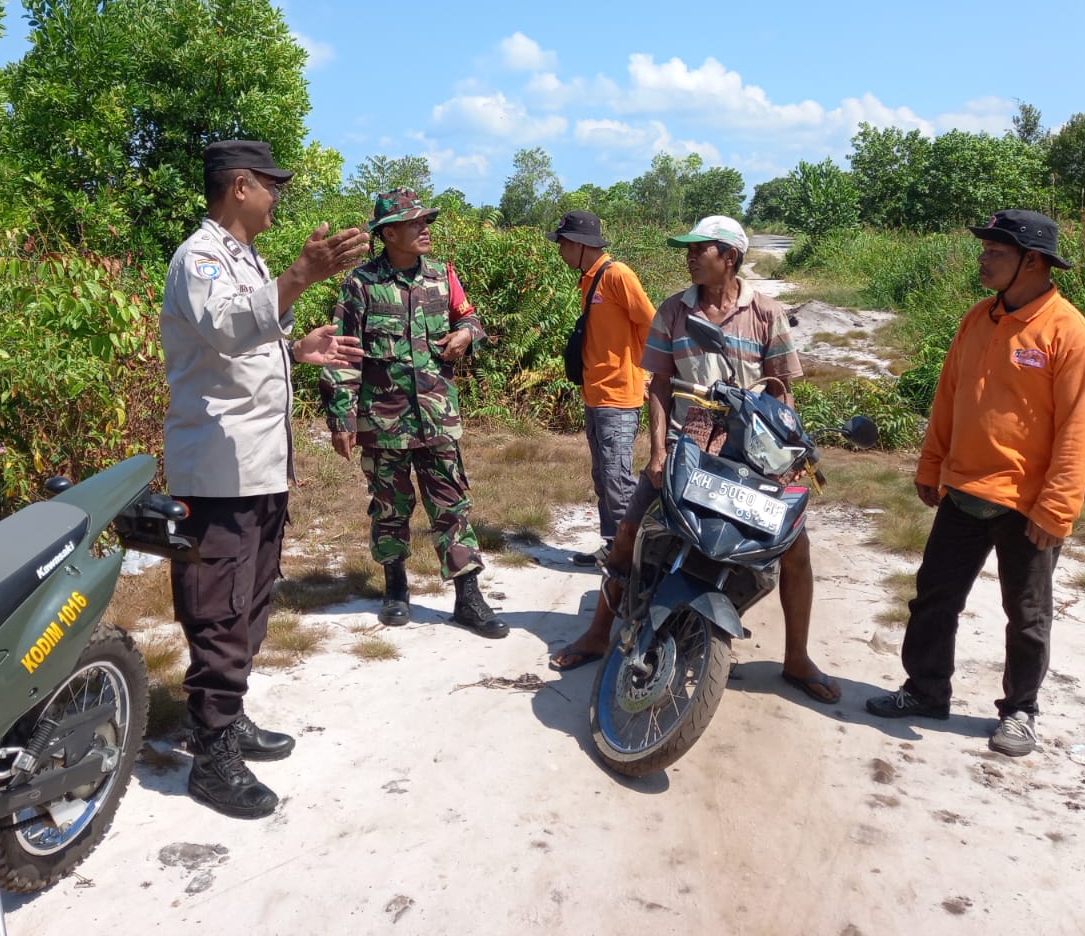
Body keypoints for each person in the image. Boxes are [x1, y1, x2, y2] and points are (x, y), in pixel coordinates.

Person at [549, 216, 838, 705]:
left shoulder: (766, 314)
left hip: (751, 454)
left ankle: (797, 657)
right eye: (688, 248)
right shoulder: (673, 312)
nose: (689, 256)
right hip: (689, 447)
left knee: (796, 550)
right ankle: (599, 632)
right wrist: (658, 451)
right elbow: (658, 385)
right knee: (628, 533)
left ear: (730, 257)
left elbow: (782, 391)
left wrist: (785, 457)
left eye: (700, 249)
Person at [161, 139, 368, 819]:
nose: (278, 198)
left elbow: (248, 337)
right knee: (217, 609)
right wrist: (303, 275)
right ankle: (211, 755)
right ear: (241, 186)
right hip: (217, 471)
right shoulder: (199, 257)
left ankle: (229, 716)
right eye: (272, 186)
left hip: (258, 464)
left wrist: (294, 347)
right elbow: (223, 328)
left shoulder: (244, 258)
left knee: (250, 601)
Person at [866, 210, 1085, 756]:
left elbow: (1079, 429)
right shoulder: (978, 320)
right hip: (964, 491)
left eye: (995, 252)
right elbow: (949, 395)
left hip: (1027, 504)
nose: (982, 259)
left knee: (1026, 616)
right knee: (934, 597)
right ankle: (926, 690)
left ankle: (1021, 710)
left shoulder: (1071, 336)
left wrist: (1058, 508)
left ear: (1033, 261)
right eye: (985, 250)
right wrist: (932, 465)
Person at [320, 188, 509, 639]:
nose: (425, 228)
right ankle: (395, 587)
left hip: (438, 416)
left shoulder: (443, 277)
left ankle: (468, 596)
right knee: (390, 507)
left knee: (453, 505)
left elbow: (471, 320)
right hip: (383, 421)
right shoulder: (361, 285)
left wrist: (467, 335)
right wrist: (342, 418)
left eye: (426, 221)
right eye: (413, 222)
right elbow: (343, 356)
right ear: (387, 234)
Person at [546, 210, 656, 568]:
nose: (560, 252)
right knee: (603, 476)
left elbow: (650, 323)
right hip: (595, 393)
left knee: (617, 477)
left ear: (579, 245)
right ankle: (613, 545)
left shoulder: (617, 275)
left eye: (562, 244)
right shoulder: (589, 279)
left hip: (619, 395)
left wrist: (645, 373)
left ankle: (632, 557)